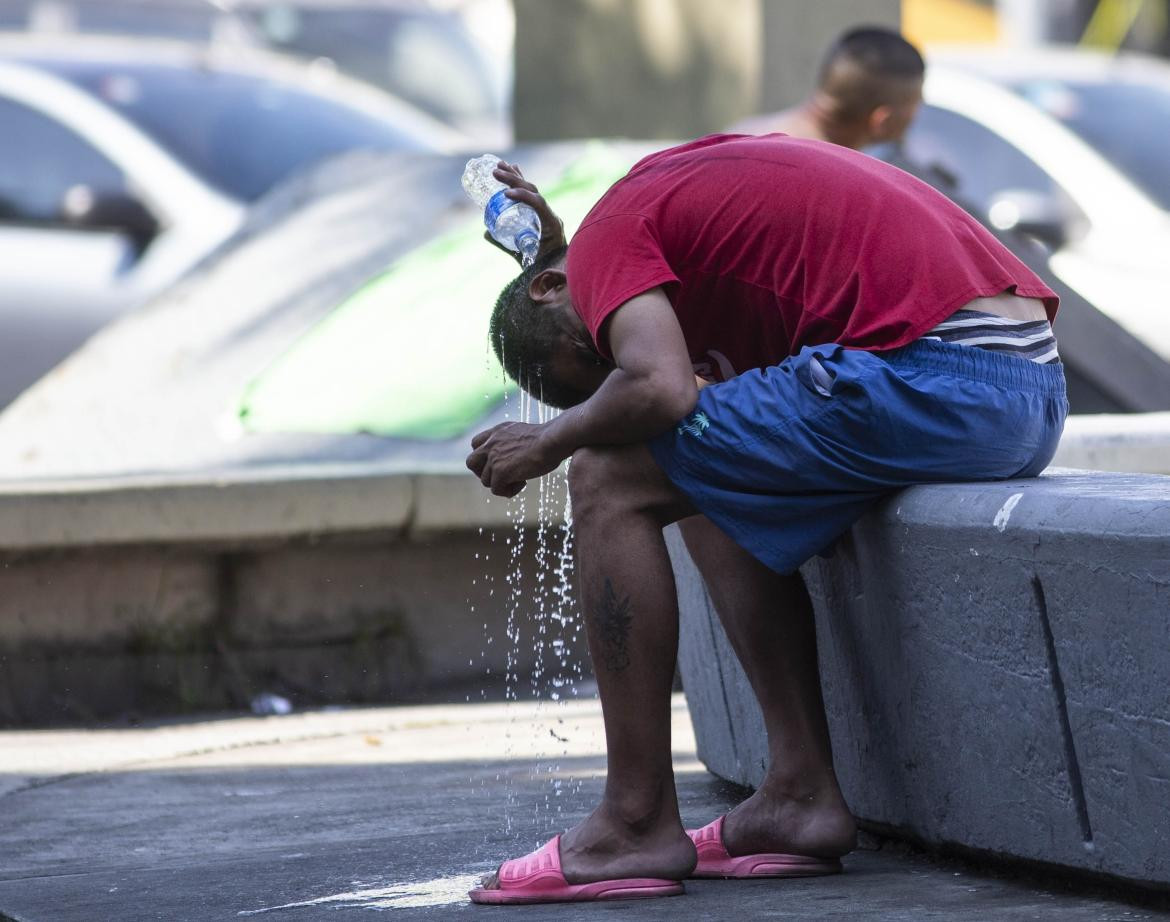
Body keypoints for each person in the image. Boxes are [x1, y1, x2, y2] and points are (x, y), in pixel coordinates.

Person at [464, 134, 1067, 904]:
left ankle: (635, 821)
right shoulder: (650, 232)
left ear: (551, 287)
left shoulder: (609, 236)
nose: (622, 361)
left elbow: (658, 390)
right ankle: (797, 796)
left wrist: (553, 437)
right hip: (1021, 387)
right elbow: (682, 391)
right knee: (699, 459)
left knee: (611, 469)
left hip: (944, 374)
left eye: (603, 356)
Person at [731, 26, 924, 150]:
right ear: (882, 121)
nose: (920, 110)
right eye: (917, 103)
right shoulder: (832, 179)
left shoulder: (740, 133)